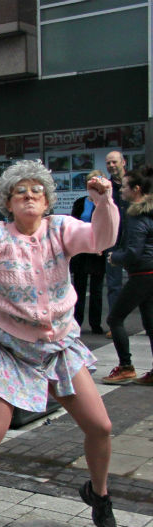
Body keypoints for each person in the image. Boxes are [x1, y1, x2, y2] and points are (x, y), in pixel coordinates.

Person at [0, 160, 120, 527]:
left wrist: (103, 202)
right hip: (9, 347)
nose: (29, 196)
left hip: (58, 345)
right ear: (8, 202)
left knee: (101, 427)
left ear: (47, 202)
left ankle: (99, 492)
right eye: (20, 191)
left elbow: (101, 240)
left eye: (36, 191)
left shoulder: (60, 229)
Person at [102, 166, 153, 386]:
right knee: (151, 323)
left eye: (124, 187)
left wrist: (115, 257)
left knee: (115, 318)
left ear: (137, 189)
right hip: (149, 272)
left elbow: (134, 251)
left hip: (142, 273)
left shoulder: (136, 214)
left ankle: (125, 366)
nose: (120, 190)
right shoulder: (149, 211)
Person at [70, 169, 107, 335]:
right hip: (80, 250)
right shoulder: (80, 202)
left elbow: (108, 227)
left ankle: (95, 324)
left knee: (96, 289)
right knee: (78, 288)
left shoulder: (105, 204)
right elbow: (73, 225)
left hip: (97, 251)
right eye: (90, 182)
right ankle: (76, 322)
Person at [104, 151, 128, 322]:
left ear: (123, 162)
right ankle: (116, 322)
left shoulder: (135, 184)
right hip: (113, 241)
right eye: (108, 163)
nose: (111, 165)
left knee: (144, 282)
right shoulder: (106, 188)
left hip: (135, 240)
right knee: (113, 285)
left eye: (114, 162)